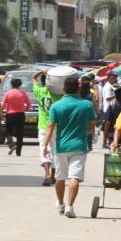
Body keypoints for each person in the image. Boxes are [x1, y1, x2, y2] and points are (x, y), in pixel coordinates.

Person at [43, 77, 96, 218]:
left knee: (60, 178)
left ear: (63, 89)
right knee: (75, 177)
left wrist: (45, 144)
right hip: (79, 145)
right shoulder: (87, 105)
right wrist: (82, 133)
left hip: (60, 146)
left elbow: (50, 126)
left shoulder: (56, 106)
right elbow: (92, 126)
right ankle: (70, 206)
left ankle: (60, 202)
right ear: (78, 88)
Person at [32, 72, 60, 186]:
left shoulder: (39, 91)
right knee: (55, 151)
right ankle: (53, 176)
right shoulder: (58, 95)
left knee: (45, 150)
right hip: (57, 127)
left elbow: (33, 77)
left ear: (43, 82)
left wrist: (42, 71)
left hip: (44, 127)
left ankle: (47, 175)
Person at [1, 77, 31, 157]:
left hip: (10, 114)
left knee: (8, 131)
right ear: (20, 85)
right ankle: (18, 152)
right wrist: (24, 109)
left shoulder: (8, 93)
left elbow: (3, 105)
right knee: (20, 133)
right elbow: (29, 105)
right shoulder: (23, 93)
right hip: (20, 114)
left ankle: (11, 144)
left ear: (11, 84)